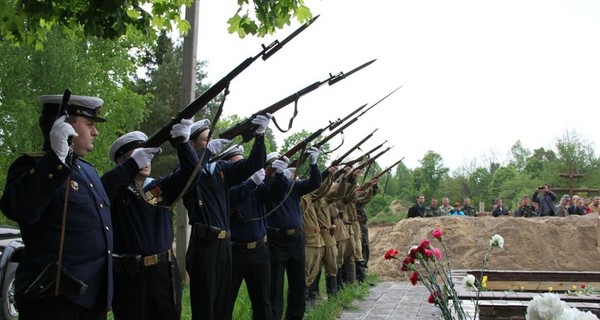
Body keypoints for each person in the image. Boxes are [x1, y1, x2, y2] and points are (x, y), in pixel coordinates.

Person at [0, 94, 112, 319]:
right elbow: (19, 209)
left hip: (91, 297)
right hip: (53, 299)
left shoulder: (88, 171)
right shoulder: (32, 165)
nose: (95, 132)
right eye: (89, 124)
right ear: (63, 126)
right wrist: (56, 160)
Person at [100, 121, 194, 320]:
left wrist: (184, 144)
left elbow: (192, 174)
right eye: (138, 156)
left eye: (147, 155)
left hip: (163, 272)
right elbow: (104, 187)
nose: (146, 161)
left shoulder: (155, 189)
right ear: (121, 160)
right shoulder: (113, 191)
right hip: (130, 277)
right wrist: (131, 166)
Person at [183, 115, 271, 320]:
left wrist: (259, 136)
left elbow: (253, 165)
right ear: (192, 145)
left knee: (223, 307)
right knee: (205, 307)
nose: (211, 142)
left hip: (224, 245)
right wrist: (206, 153)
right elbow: (190, 173)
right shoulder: (185, 171)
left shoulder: (220, 169)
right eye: (205, 140)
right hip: (204, 245)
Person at [225, 145, 289, 320]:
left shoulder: (256, 184)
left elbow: (274, 196)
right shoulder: (228, 187)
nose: (241, 167)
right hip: (233, 251)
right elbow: (233, 198)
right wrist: (250, 183)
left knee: (263, 302)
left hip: (259, 250)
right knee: (225, 302)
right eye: (235, 164)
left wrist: (280, 176)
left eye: (242, 163)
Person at [266, 148, 322, 320]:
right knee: (275, 286)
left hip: (296, 239)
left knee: (298, 284)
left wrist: (313, 164)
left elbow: (314, 184)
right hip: (275, 240)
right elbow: (276, 188)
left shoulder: (292, 186)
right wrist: (280, 175)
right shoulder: (266, 185)